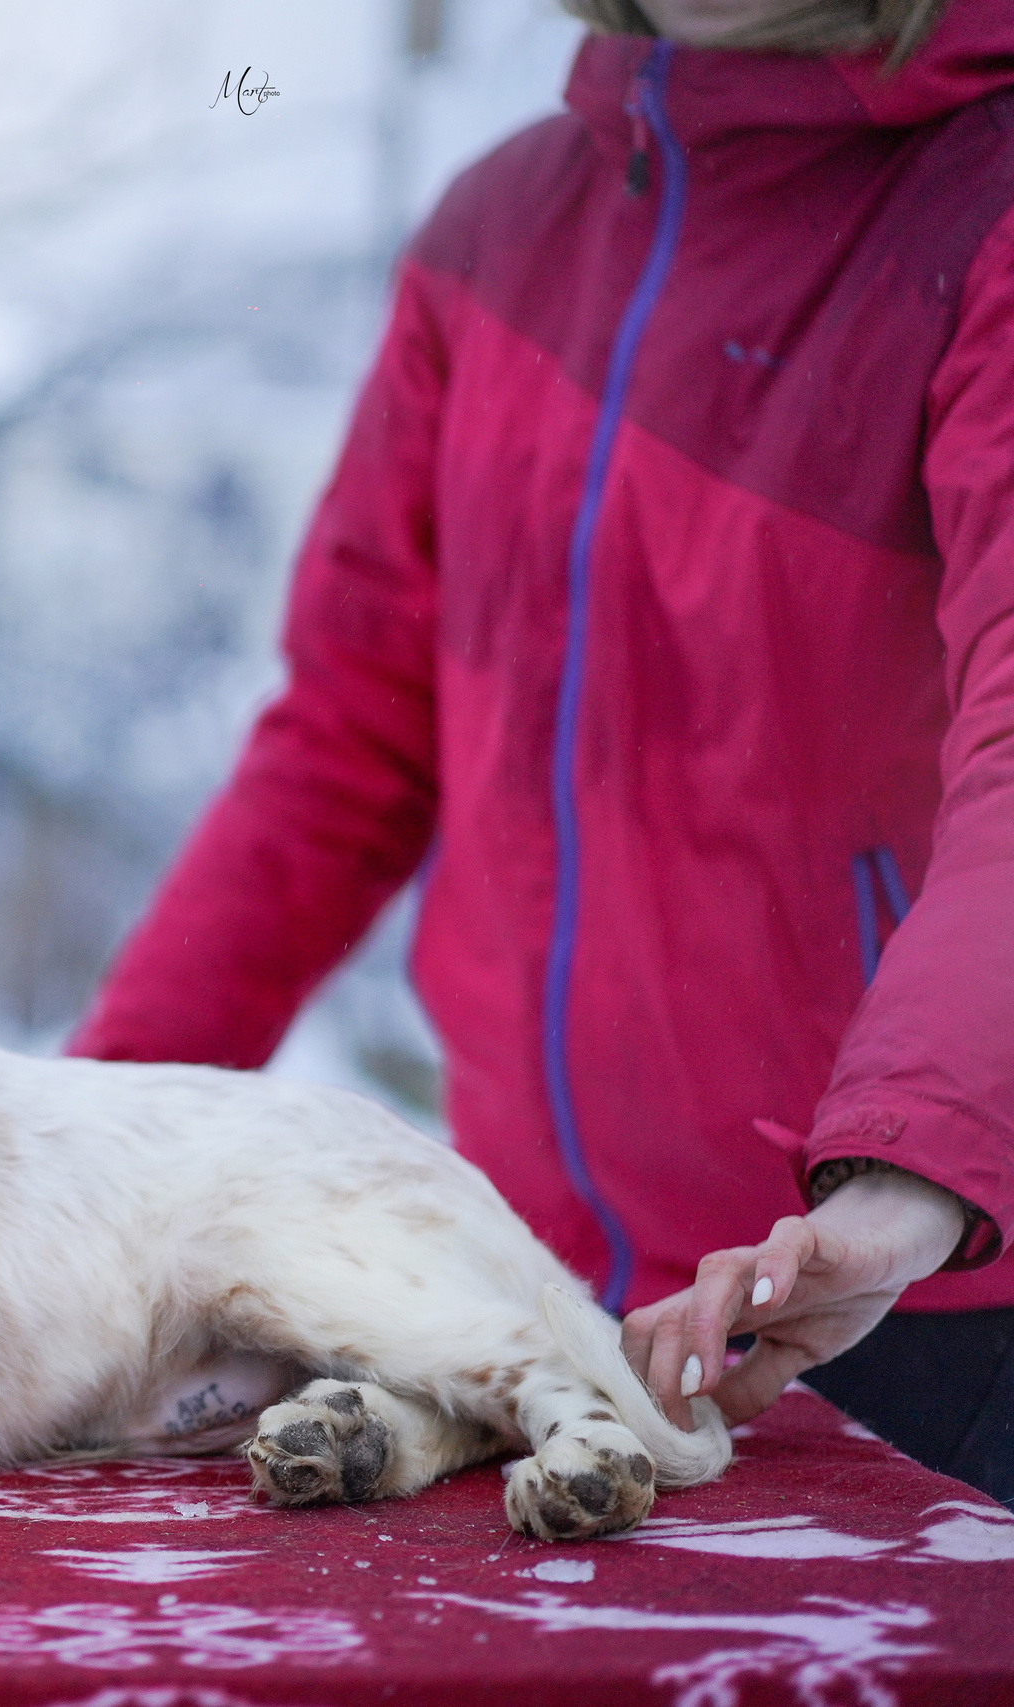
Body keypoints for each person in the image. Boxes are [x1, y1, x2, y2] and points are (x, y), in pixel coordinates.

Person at [71, 0, 1014, 1500]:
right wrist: (92, 1141)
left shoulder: (984, 220)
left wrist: (911, 1170)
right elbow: (348, 738)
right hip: (523, 1294)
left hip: (917, 1304)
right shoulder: (500, 229)